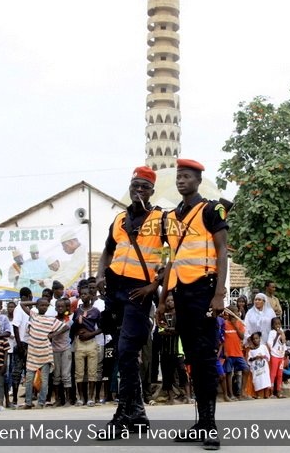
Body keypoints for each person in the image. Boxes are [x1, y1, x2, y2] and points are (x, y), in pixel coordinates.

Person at [157, 158, 228, 450]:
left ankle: (210, 426)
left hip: (205, 290)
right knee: (193, 360)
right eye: (179, 176)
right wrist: (162, 299)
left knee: (206, 359)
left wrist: (220, 294)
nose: (181, 180)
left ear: (198, 181)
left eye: (186, 176)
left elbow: (222, 250)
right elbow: (170, 259)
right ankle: (200, 423)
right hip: (182, 294)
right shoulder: (172, 217)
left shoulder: (211, 210)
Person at [97, 166, 165, 435]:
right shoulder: (119, 219)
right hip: (115, 291)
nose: (139, 190)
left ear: (152, 191)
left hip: (139, 292)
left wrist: (155, 285)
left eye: (144, 187)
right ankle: (137, 415)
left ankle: (123, 415)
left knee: (126, 352)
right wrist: (100, 274)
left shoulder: (161, 218)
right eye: (135, 185)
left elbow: (173, 254)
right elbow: (107, 250)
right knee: (123, 354)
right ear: (130, 186)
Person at [18, 298, 65, 409]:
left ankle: (41, 402)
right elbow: (22, 304)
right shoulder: (33, 315)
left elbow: (65, 327)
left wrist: (53, 335)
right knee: (29, 379)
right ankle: (28, 402)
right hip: (32, 353)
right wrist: (36, 302)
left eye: (45, 305)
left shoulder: (50, 319)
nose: (44, 307)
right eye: (41, 305)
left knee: (44, 380)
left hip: (45, 353)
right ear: (37, 306)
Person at [72, 286, 102, 406]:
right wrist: (77, 328)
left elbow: (101, 328)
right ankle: (80, 398)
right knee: (79, 372)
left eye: (85, 294)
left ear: (90, 296)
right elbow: (73, 328)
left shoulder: (95, 311)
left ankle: (90, 398)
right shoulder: (77, 311)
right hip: (79, 343)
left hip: (91, 343)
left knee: (92, 371)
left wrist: (90, 334)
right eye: (81, 294)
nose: (83, 296)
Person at [222, 305, 249, 401]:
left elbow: (242, 337)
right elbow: (222, 339)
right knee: (229, 373)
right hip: (228, 353)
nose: (237, 313)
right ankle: (231, 394)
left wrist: (235, 325)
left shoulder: (239, 323)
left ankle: (242, 392)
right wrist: (224, 351)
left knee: (246, 369)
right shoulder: (224, 323)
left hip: (238, 353)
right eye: (235, 312)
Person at [247, 332, 271, 398]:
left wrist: (263, 356)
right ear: (252, 341)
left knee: (265, 380)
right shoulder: (251, 351)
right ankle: (258, 395)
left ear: (260, 339)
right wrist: (255, 358)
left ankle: (266, 395)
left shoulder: (263, 347)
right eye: (254, 339)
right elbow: (249, 360)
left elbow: (268, 357)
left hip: (264, 367)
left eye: (257, 338)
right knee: (257, 381)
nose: (255, 340)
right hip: (256, 369)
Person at [267, 317, 287, 398]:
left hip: (281, 356)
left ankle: (279, 391)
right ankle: (271, 392)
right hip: (274, 356)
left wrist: (282, 334)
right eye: (276, 324)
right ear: (272, 325)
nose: (278, 325)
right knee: (273, 374)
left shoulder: (282, 332)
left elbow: (283, 343)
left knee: (280, 375)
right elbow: (271, 344)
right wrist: (277, 335)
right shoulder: (272, 333)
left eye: (279, 324)